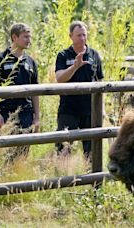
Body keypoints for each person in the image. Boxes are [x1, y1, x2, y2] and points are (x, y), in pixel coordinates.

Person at [0, 23, 40, 163]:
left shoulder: (31, 62)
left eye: (29, 37)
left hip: (25, 113)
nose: (29, 40)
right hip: (4, 112)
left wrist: (37, 117)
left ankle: (18, 180)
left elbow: (36, 91)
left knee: (21, 155)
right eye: (25, 37)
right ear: (14, 37)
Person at [55, 21, 104, 160]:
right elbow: (59, 79)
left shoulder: (94, 54)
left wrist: (102, 109)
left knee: (91, 149)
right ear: (70, 36)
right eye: (78, 35)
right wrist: (75, 66)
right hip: (69, 109)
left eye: (84, 35)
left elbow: (100, 82)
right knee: (64, 147)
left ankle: (93, 179)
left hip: (90, 109)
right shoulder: (63, 55)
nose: (82, 38)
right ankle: (62, 178)